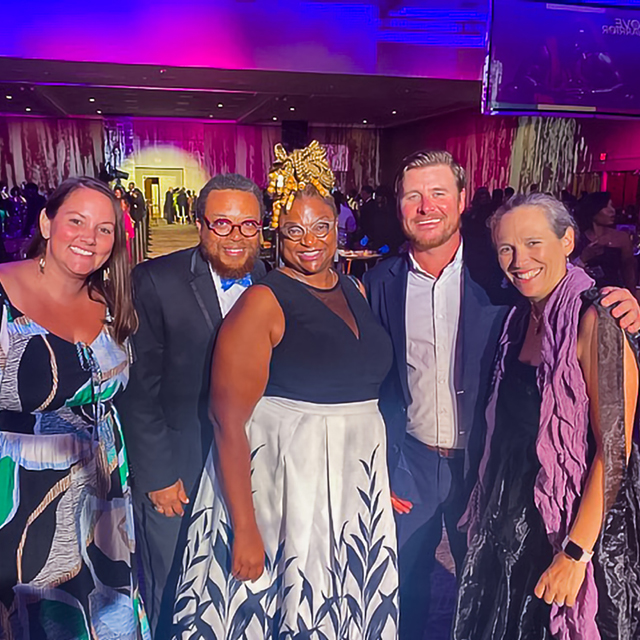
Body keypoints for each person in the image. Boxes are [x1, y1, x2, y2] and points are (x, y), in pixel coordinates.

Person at [363, 150, 640, 640]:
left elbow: (612, 437)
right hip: (416, 465)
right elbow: (371, 381)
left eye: (439, 193)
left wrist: (624, 306)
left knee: (493, 589)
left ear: (462, 200)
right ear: (399, 204)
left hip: (489, 471)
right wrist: (380, 460)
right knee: (411, 589)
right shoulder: (380, 280)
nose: (427, 206)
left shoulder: (497, 274)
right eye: (413, 196)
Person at [172, 141, 398, 638]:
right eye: (295, 230)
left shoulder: (355, 289)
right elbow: (227, 421)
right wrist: (246, 529)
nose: (310, 240)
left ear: (338, 230)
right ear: (278, 235)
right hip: (288, 482)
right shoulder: (262, 301)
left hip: (350, 479)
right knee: (287, 610)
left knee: (341, 604)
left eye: (322, 227)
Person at [454, 193, 640, 639]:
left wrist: (575, 555)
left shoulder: (599, 319)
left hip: (577, 526)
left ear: (568, 240)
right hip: (513, 521)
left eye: (534, 242)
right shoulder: (519, 320)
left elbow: (614, 449)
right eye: (507, 248)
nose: (520, 260)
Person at [117, 174, 267, 637]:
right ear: (200, 225)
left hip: (254, 465)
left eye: (248, 225)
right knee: (174, 583)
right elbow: (139, 390)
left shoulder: (273, 281)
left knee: (241, 583)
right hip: (179, 468)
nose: (236, 236)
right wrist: (158, 475)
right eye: (222, 224)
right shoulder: (156, 281)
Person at [0, 177, 149, 638]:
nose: (90, 237)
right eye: (76, 221)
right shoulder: (3, 291)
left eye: (105, 229)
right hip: (20, 499)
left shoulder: (111, 302)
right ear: (47, 222)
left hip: (103, 502)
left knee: (100, 619)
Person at [575, 192, 637, 295]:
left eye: (612, 206)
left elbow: (629, 271)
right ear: (593, 211)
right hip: (585, 293)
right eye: (606, 207)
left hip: (614, 293)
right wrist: (584, 257)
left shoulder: (621, 238)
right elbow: (570, 269)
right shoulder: (579, 238)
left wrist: (632, 295)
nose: (612, 211)